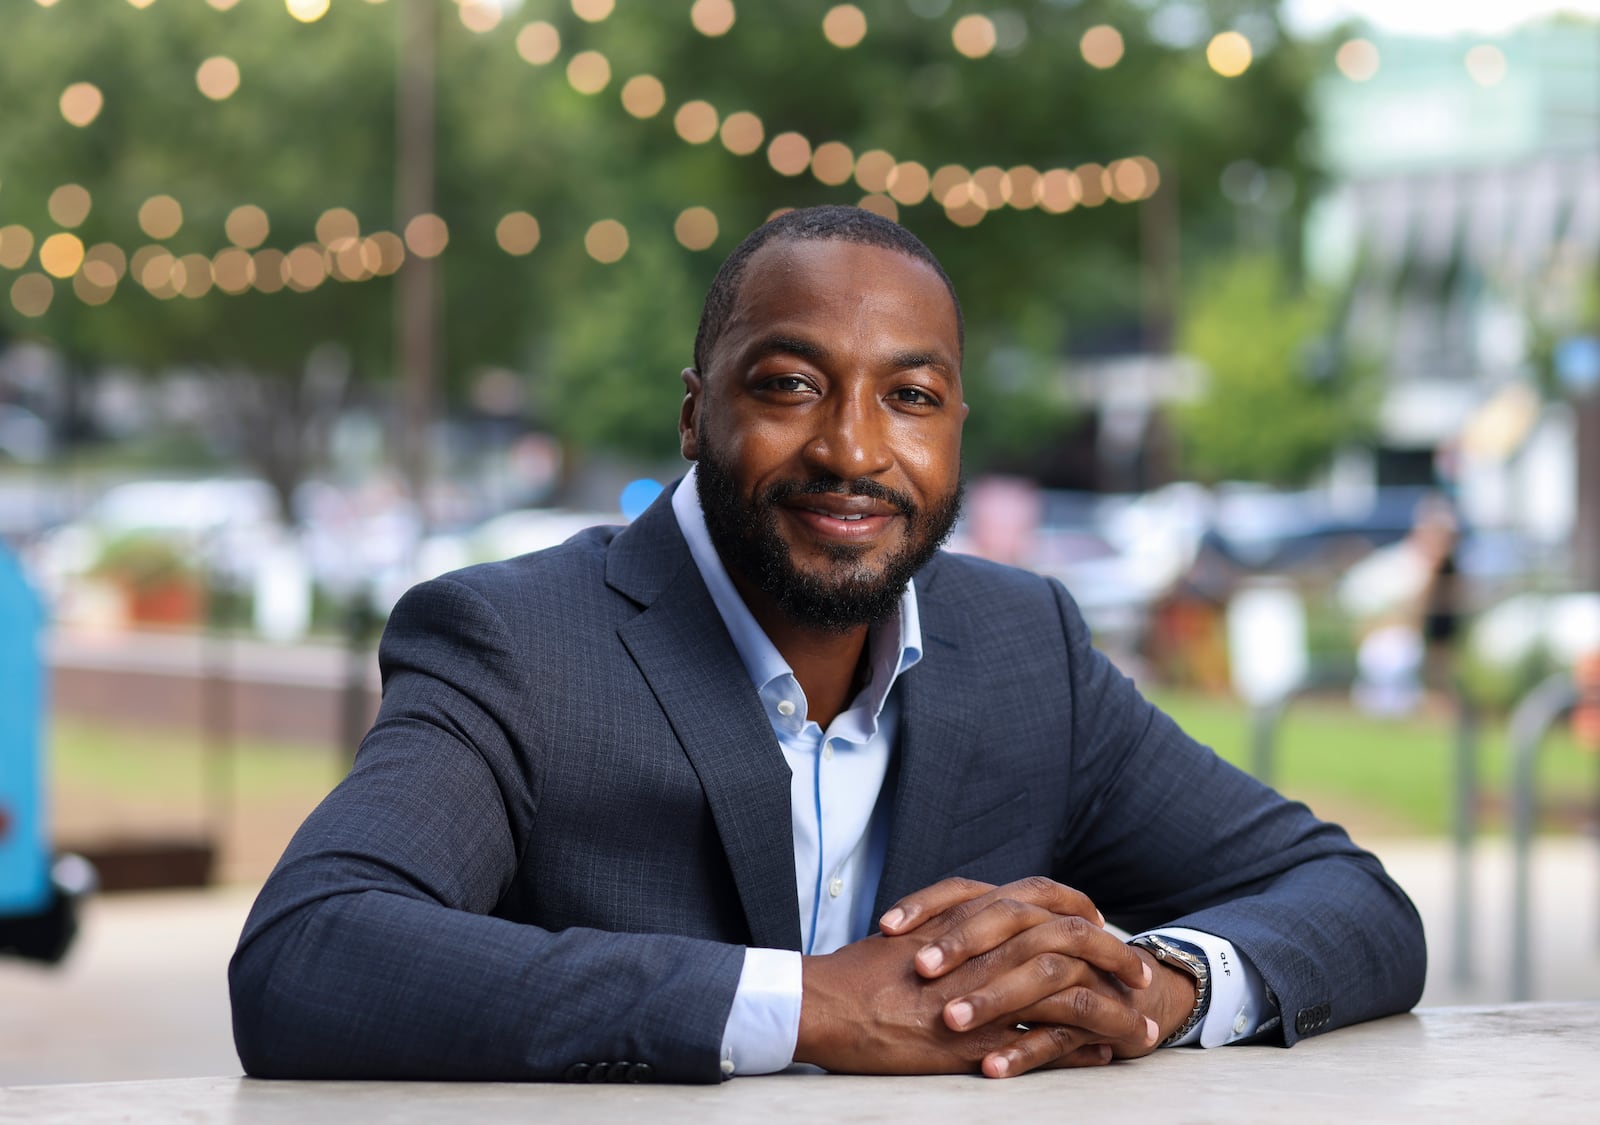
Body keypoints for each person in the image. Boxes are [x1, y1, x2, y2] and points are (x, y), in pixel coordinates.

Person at [230, 206, 1425, 1084]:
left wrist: (1150, 987)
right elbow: (310, 952)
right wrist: (807, 1008)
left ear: (958, 429)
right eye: (793, 383)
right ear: (699, 410)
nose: (854, 450)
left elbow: (1354, 905)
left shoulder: (1023, 647)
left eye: (909, 398)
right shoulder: (517, 643)